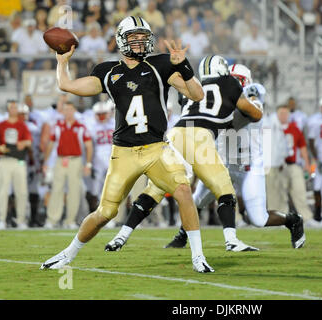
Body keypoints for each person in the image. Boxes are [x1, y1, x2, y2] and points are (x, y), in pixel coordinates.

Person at [40, 16, 214, 273]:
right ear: (122, 40)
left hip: (157, 148)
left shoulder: (161, 65)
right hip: (123, 152)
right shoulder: (108, 71)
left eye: (144, 37)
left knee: (183, 190)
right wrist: (62, 62)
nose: (141, 42)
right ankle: (68, 253)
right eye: (134, 37)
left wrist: (185, 66)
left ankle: (198, 256)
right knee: (105, 213)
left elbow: (197, 95)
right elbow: (66, 85)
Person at [105, 63, 305, 251]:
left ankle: (293, 220)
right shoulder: (218, 97)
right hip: (219, 159)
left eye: (236, 79)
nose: (230, 82)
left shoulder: (250, 98)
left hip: (247, 165)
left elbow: (242, 115)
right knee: (196, 200)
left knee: (257, 219)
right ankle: (184, 235)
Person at [42, 101, 93, 229]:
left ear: (74, 111)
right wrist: (46, 162)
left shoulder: (80, 126)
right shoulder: (58, 125)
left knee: (74, 191)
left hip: (75, 160)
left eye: (70, 109)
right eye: (66, 109)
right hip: (60, 160)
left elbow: (89, 146)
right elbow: (50, 144)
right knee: (56, 189)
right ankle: (52, 219)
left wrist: (88, 164)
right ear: (63, 111)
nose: (68, 112)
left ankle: (70, 220)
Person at [0, 100, 32, 230]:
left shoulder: (22, 125)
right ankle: (1, 219)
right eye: (11, 107)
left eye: (15, 107)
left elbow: (29, 141)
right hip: (5, 160)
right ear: (8, 109)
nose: (13, 110)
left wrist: (23, 143)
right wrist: (1, 148)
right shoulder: (1, 125)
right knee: (2, 191)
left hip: (19, 161)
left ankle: (21, 220)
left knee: (22, 192)